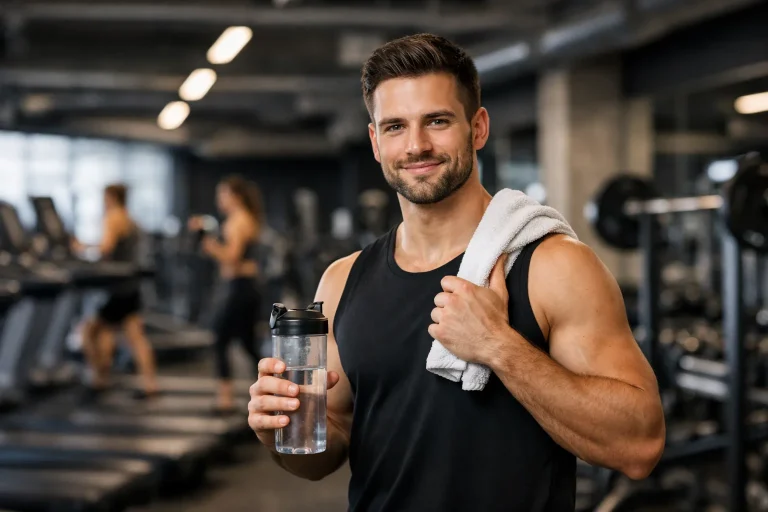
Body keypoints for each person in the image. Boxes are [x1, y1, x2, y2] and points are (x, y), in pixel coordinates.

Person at [248, 34, 666, 511]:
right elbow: (330, 446)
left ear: (478, 127)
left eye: (438, 121)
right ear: (375, 141)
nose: (417, 145)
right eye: (395, 127)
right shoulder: (343, 281)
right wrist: (281, 429)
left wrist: (499, 347)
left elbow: (640, 444)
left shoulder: (551, 266)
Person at [189, 175, 264, 414]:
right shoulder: (243, 219)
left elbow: (232, 258)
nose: (218, 199)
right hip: (245, 286)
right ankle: (267, 393)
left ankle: (226, 400)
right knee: (247, 343)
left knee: (220, 339)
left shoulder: (237, 221)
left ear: (235, 196)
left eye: (222, 194)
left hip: (239, 287)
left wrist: (210, 246)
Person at [77, 184, 158, 399]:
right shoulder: (129, 218)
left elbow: (105, 248)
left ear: (111, 197)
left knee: (87, 332)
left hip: (117, 288)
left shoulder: (113, 217)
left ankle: (99, 376)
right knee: (131, 337)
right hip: (130, 286)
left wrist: (80, 247)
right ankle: (149, 384)